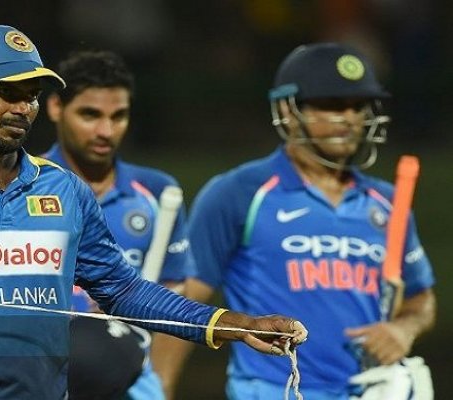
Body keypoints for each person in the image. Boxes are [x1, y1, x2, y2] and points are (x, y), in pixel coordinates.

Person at [0, 25, 307, 400]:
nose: (22, 108)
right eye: (7, 92)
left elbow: (123, 291)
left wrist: (232, 323)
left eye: (31, 95)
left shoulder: (63, 189)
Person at [163, 42, 436, 400]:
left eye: (358, 106)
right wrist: (157, 389)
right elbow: (183, 306)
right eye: (331, 104)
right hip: (272, 391)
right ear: (287, 110)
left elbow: (420, 299)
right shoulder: (240, 193)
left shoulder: (387, 203)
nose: (349, 118)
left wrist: (403, 329)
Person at [44, 50, 195, 400]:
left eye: (119, 116)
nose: (106, 131)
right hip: (43, 376)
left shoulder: (159, 194)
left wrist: (160, 387)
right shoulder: (18, 188)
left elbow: (173, 296)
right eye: (90, 114)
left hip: (130, 382)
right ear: (55, 107)